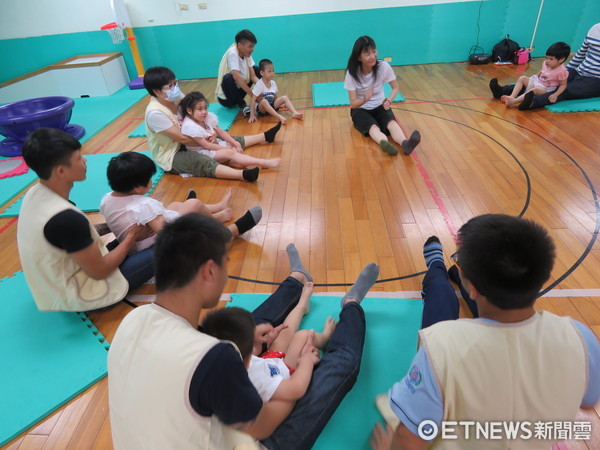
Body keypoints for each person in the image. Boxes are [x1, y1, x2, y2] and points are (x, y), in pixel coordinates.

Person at [108, 213, 380, 449]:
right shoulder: (215, 357)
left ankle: (296, 280)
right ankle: (352, 305)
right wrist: (293, 387)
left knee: (241, 326)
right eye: (226, 262)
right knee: (341, 365)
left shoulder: (134, 320)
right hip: (248, 436)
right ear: (209, 272)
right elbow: (262, 427)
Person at [370, 215, 600, 449]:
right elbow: (589, 401)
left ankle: (437, 268)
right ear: (544, 277)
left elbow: (409, 441)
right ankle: (449, 272)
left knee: (439, 295)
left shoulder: (438, 347)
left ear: (473, 287)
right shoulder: (581, 338)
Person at [17, 128, 154, 312]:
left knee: (120, 243)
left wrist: (112, 226)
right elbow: (100, 271)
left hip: (58, 282)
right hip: (84, 295)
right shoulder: (66, 218)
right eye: (79, 158)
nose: (85, 160)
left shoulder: (35, 194)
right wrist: (131, 237)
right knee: (172, 242)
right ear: (61, 171)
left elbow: (69, 239)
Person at [100, 152, 263, 253]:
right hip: (151, 248)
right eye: (149, 179)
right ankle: (220, 231)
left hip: (137, 245)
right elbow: (167, 235)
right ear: (137, 188)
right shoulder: (142, 206)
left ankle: (219, 211)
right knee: (194, 205)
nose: (151, 181)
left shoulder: (107, 199)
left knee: (175, 206)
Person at [202, 282, 337, 404]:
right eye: (253, 345)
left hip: (269, 362)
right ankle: (325, 338)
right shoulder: (256, 381)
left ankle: (302, 306)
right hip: (286, 373)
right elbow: (296, 389)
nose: (260, 342)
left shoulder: (230, 359)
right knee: (302, 336)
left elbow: (254, 357)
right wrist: (306, 361)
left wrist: (261, 343)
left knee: (286, 330)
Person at [144, 66, 268, 182]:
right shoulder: (155, 113)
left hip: (192, 138)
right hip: (173, 153)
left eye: (175, 83)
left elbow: (196, 112)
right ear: (157, 91)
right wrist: (207, 141)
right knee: (201, 160)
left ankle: (264, 136)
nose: (175, 88)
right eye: (170, 86)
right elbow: (182, 139)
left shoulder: (174, 97)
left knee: (222, 136)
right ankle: (243, 175)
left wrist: (212, 132)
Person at [490, 23, 600, 110]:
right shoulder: (595, 29)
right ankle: (501, 91)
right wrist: (564, 70)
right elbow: (581, 53)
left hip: (596, 80)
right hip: (579, 71)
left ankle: (532, 103)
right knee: (547, 80)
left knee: (564, 90)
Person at [344, 35, 421, 156]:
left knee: (392, 123)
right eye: (367, 54)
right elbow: (353, 103)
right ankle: (384, 143)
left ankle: (405, 144)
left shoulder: (383, 67)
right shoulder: (352, 73)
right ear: (359, 57)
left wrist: (389, 100)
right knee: (373, 127)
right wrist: (365, 99)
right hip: (360, 109)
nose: (372, 56)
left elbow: (395, 87)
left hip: (380, 106)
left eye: (374, 52)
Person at [179, 91, 281, 170]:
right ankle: (263, 162)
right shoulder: (190, 126)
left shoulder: (206, 117)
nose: (204, 112)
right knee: (230, 152)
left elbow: (221, 132)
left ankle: (234, 163)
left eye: (205, 108)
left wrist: (235, 142)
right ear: (189, 110)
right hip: (203, 153)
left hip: (213, 147)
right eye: (199, 109)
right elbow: (207, 146)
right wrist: (225, 149)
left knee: (232, 147)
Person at [495, 42, 570, 108]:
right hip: (538, 82)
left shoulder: (562, 71)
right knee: (522, 78)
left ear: (561, 59)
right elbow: (543, 70)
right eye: (546, 58)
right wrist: (536, 76)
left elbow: (563, 85)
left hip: (546, 89)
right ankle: (511, 97)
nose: (547, 61)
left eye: (551, 59)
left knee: (535, 90)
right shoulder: (546, 63)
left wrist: (555, 95)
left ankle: (514, 101)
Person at [215, 29, 260, 113]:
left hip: (238, 93)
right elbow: (237, 77)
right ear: (239, 45)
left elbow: (253, 76)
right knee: (227, 78)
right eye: (250, 46)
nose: (252, 49)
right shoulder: (232, 53)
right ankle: (243, 106)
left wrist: (265, 91)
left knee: (257, 69)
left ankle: (266, 97)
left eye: (253, 46)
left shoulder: (247, 54)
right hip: (227, 99)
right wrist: (253, 95)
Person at [248, 59, 304, 125]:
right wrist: (252, 115)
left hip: (271, 105)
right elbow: (253, 100)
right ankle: (279, 117)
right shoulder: (259, 84)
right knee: (264, 101)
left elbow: (274, 96)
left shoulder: (273, 83)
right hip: (262, 110)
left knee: (284, 97)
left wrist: (280, 103)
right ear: (262, 73)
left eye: (273, 71)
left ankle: (294, 112)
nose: (272, 73)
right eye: (269, 71)